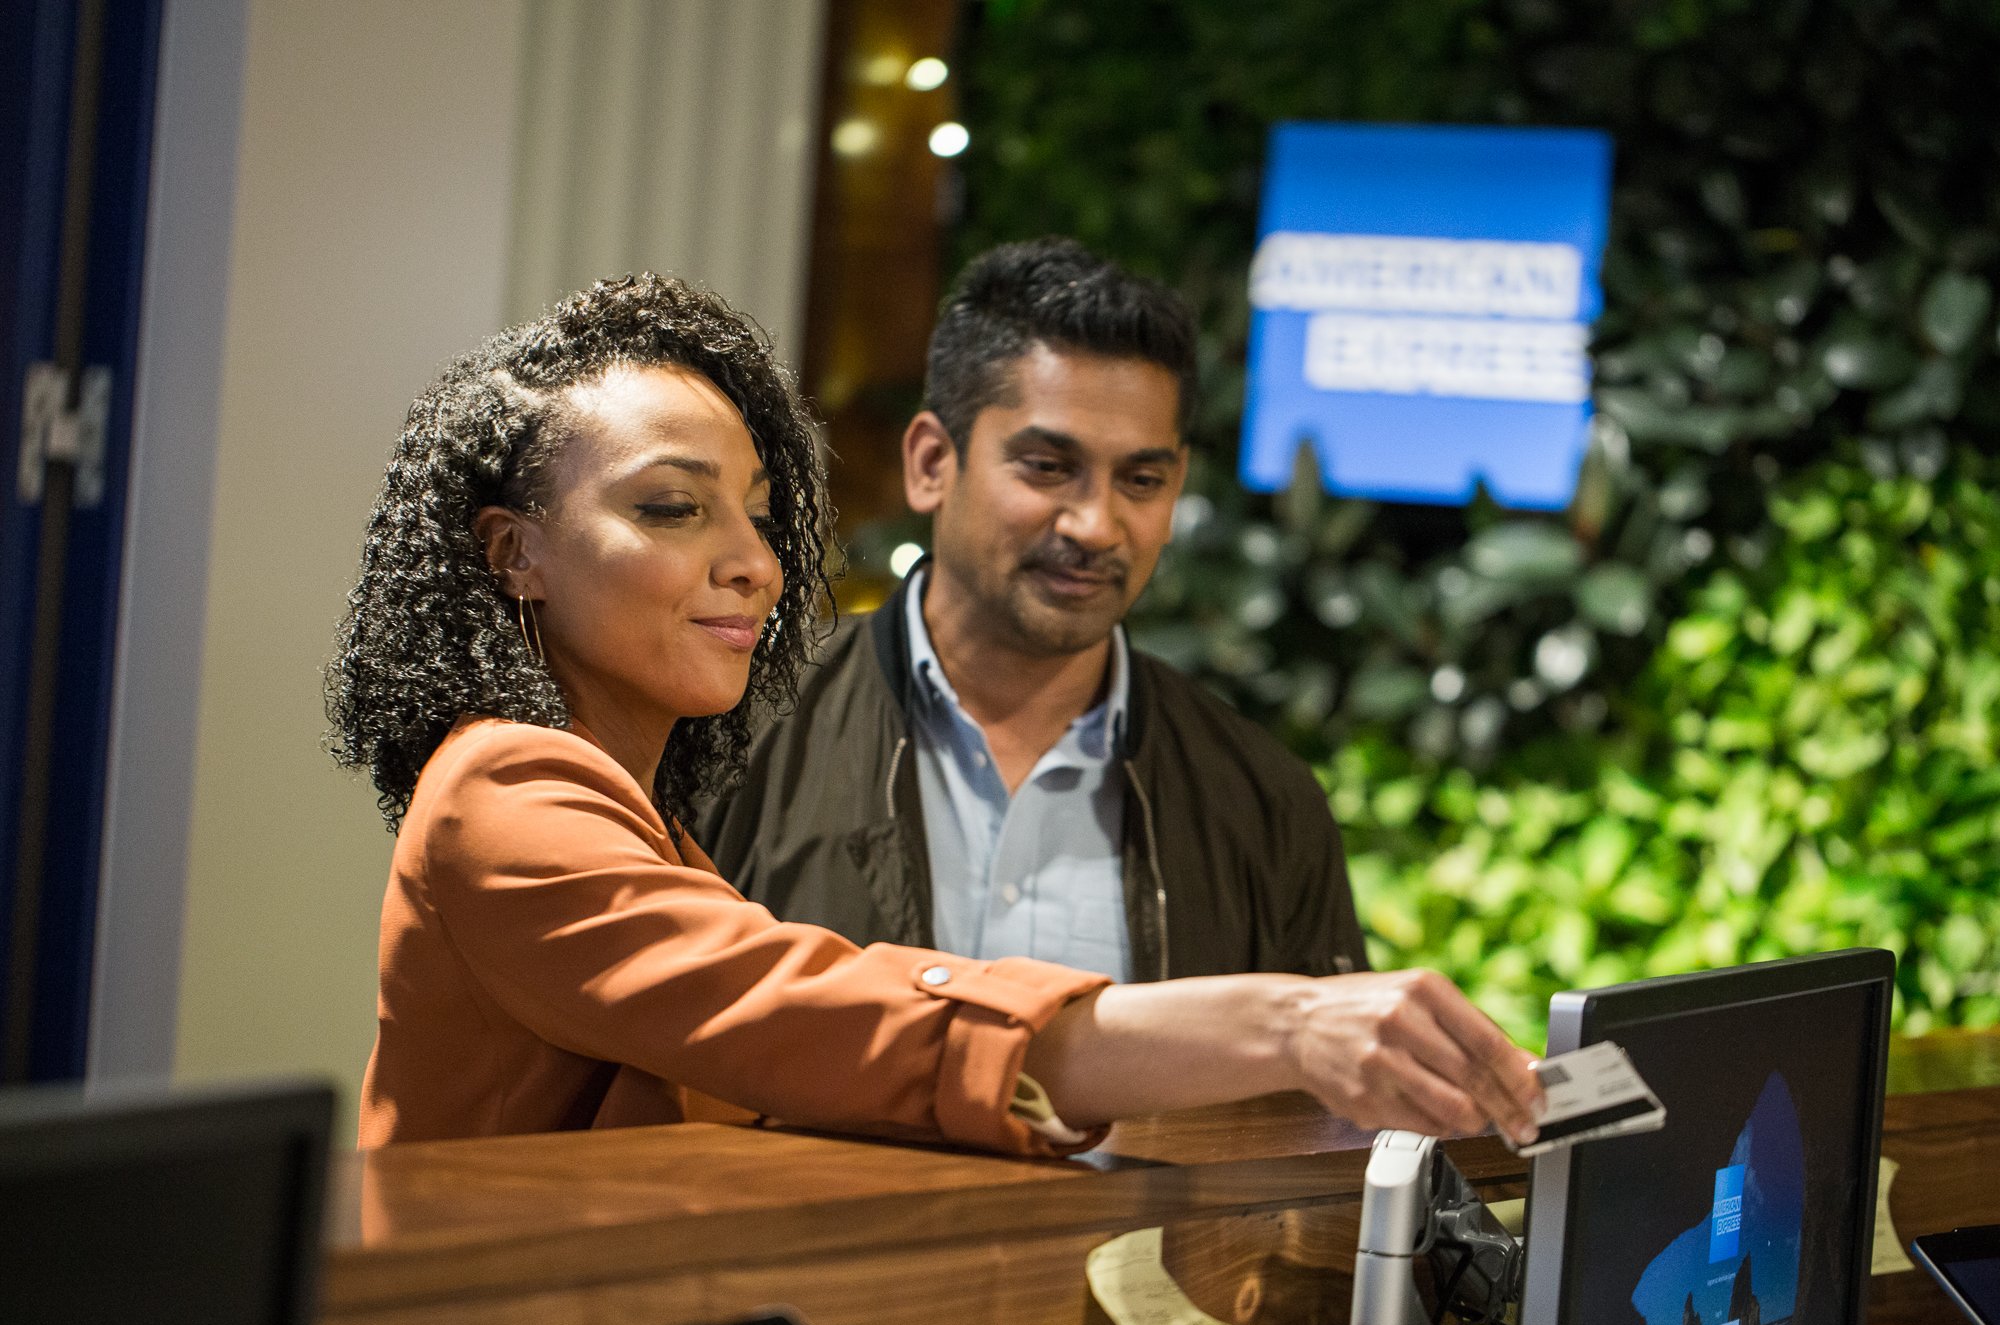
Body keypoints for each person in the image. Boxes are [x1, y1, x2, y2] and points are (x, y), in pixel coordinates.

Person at [327, 272, 1542, 1156]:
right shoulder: (509, 789)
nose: (754, 563)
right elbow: (806, 1009)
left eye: (756, 512)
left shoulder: (1255, 789)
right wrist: (1282, 1017)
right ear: (517, 555)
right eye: (669, 507)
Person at [701, 238, 1365, 983]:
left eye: (1142, 480)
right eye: (1049, 467)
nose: (1095, 525)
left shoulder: (1262, 804)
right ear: (929, 463)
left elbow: (1309, 1094)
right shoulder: (733, 731)